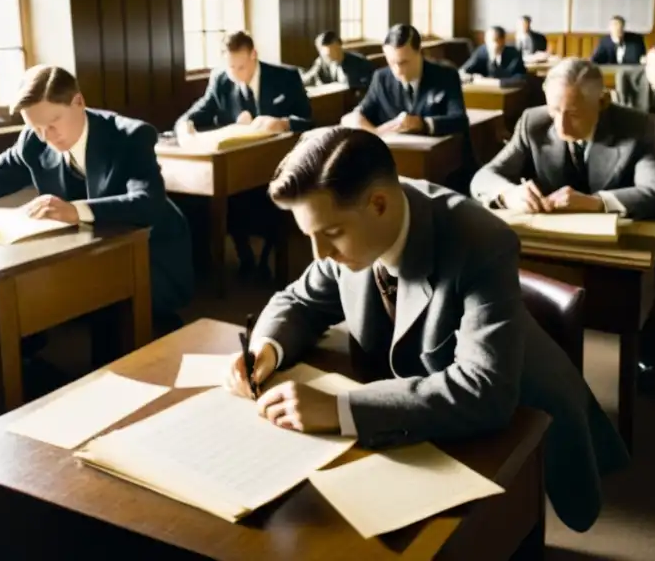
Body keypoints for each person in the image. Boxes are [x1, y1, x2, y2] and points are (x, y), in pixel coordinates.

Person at [224, 127, 630, 532]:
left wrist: (338, 408)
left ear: (379, 204)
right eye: (309, 236)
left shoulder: (481, 241)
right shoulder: (346, 214)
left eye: (330, 235)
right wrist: (266, 348)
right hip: (418, 401)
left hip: (518, 416)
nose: (321, 255)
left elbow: (483, 390)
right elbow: (300, 300)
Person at [0, 66, 192, 332]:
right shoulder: (33, 142)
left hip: (153, 255)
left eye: (53, 123)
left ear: (79, 101)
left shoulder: (130, 136)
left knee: (115, 334)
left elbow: (148, 202)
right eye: (36, 127)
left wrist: (76, 211)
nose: (46, 136)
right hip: (92, 256)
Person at [469, 58, 655, 273]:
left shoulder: (636, 126)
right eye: (554, 111)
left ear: (602, 102)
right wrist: (508, 194)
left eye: (574, 114)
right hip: (555, 242)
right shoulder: (533, 122)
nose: (561, 126)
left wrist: (596, 203)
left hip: (621, 247)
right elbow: (484, 177)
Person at [177, 31, 313, 279]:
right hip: (235, 170)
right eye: (230, 66)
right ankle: (234, 261)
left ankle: (264, 260)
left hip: (276, 168)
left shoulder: (285, 77)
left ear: (254, 55)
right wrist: (184, 126)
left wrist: (283, 123)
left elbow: (310, 121)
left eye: (241, 66)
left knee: (258, 201)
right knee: (202, 200)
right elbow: (196, 113)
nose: (236, 73)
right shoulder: (221, 79)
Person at [341, 24, 468, 137]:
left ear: (419, 51)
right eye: (391, 63)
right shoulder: (381, 78)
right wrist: (374, 133)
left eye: (404, 62)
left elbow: (459, 120)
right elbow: (358, 114)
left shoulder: (446, 75)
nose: (398, 70)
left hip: (436, 157)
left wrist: (421, 123)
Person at [301, 30, 374, 90]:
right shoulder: (321, 61)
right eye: (327, 56)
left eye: (335, 51)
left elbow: (369, 87)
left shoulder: (359, 62)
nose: (331, 58)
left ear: (340, 47)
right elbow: (308, 79)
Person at [460, 26, 527, 82]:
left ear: (503, 41)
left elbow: (520, 76)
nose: (489, 44)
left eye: (493, 41)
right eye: (487, 40)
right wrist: (471, 76)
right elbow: (463, 70)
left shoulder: (514, 54)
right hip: (484, 90)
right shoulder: (482, 51)